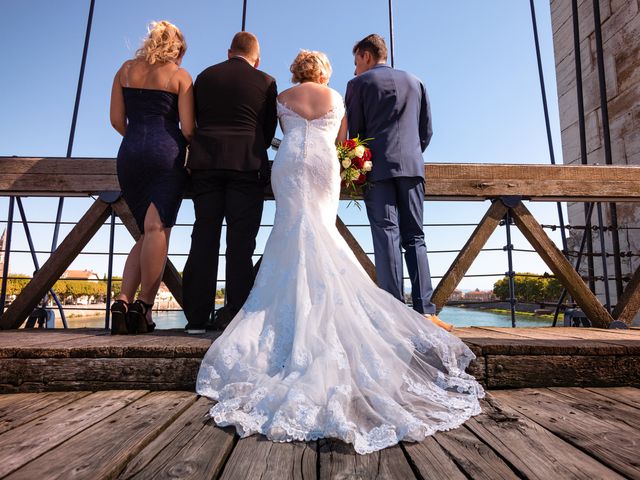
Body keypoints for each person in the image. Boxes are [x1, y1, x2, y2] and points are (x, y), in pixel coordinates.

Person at [196, 50, 483, 455]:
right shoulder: (336, 97)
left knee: (289, 230)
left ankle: (287, 317)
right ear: (323, 70)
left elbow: (268, 133)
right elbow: (346, 141)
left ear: (297, 69)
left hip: (291, 161)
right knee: (321, 231)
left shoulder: (282, 97)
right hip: (324, 166)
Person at [345, 34, 453, 332]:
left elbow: (355, 133)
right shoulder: (416, 81)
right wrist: (410, 155)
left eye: (356, 62)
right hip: (412, 167)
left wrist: (358, 163)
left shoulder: (358, 85)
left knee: (387, 235)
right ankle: (425, 311)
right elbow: (426, 130)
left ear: (367, 56)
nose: (355, 69)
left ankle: (393, 313)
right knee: (415, 237)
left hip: (377, 169)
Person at [182, 32, 277, 334]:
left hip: (206, 163)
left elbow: (193, 121)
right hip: (246, 166)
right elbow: (267, 128)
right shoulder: (266, 81)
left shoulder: (205, 77)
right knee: (241, 243)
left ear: (228, 53)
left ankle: (196, 318)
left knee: (203, 236)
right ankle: (236, 313)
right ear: (256, 58)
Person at [109, 20, 194, 334]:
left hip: (130, 153)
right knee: (158, 228)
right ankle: (144, 307)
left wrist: (137, 138)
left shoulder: (125, 70)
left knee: (145, 235)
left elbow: (117, 119)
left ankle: (121, 301)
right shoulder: (180, 76)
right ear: (177, 49)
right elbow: (188, 129)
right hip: (165, 155)